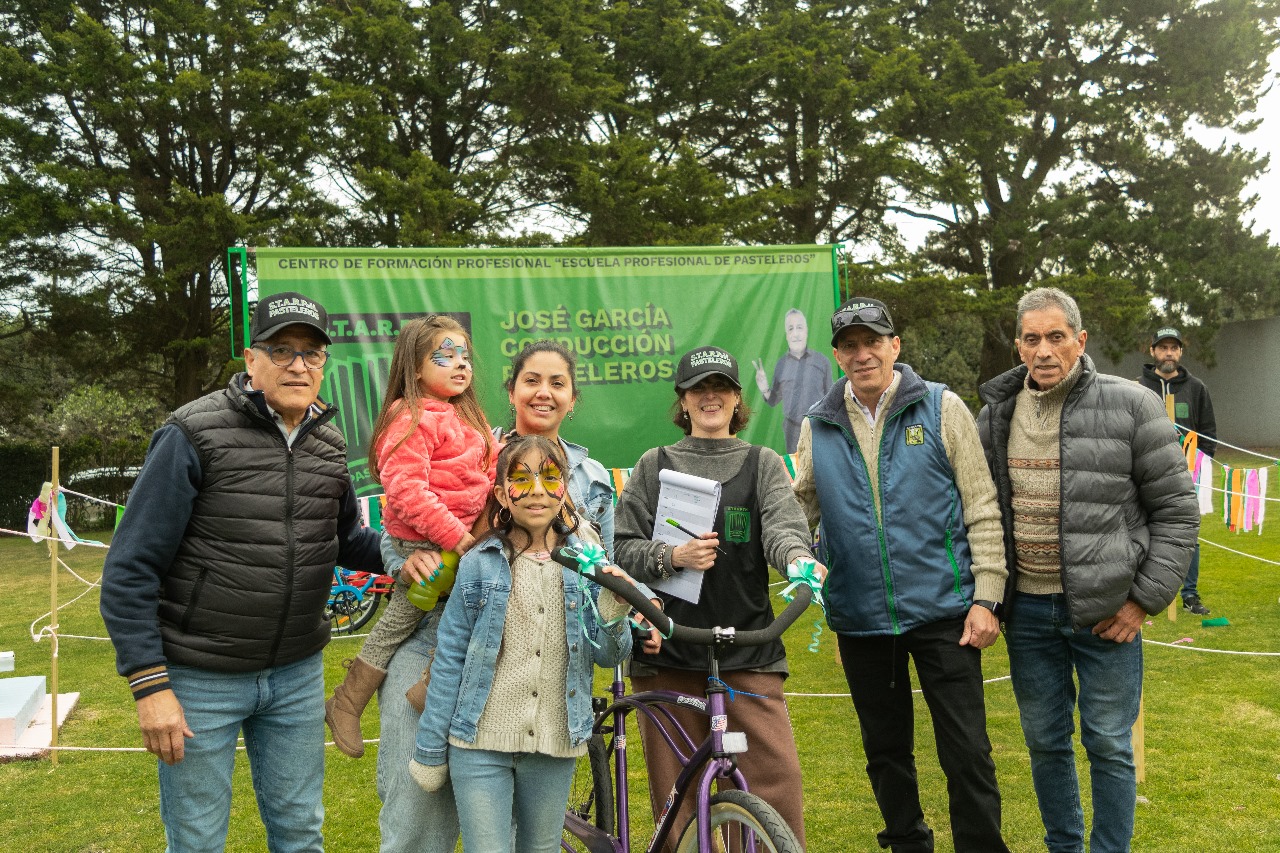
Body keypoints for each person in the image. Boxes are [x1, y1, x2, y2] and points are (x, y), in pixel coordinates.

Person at [99, 290, 383, 852]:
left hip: (296, 675)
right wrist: (149, 685)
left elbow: (348, 539)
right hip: (201, 675)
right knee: (199, 839)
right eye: (282, 351)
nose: (299, 365)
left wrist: (438, 549)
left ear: (325, 364)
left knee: (301, 833)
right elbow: (131, 568)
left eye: (312, 352)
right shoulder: (190, 434)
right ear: (251, 361)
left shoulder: (328, 443)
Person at [374, 339, 621, 853]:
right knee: (419, 819)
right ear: (510, 391)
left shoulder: (595, 482)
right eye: (531, 380)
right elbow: (403, 515)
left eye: (558, 383)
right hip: (435, 641)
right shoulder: (474, 447)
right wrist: (403, 563)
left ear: (574, 398)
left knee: (516, 833)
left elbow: (601, 580)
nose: (544, 393)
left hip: (538, 673)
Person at [977, 287, 1198, 853]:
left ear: (1081, 340)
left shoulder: (1132, 405)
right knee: (1046, 743)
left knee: (1109, 744)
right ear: (1018, 345)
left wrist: (1143, 600)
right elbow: (976, 511)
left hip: (1108, 615)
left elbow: (1176, 512)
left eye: (1056, 337)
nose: (1043, 350)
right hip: (1026, 612)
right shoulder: (996, 413)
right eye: (1031, 338)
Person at [793, 296, 1012, 853]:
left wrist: (987, 598)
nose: (862, 354)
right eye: (850, 345)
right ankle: (908, 845)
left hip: (946, 612)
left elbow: (981, 505)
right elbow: (798, 514)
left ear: (895, 346)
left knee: (967, 752)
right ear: (837, 355)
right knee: (886, 753)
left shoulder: (941, 406)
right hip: (862, 619)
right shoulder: (817, 424)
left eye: (873, 342)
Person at [613, 344, 822, 851]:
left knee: (773, 787)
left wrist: (798, 560)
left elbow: (783, 527)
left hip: (748, 648)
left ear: (736, 399)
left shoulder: (764, 463)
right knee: (677, 801)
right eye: (698, 388)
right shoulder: (653, 464)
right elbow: (619, 545)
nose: (711, 397)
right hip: (668, 651)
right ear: (682, 402)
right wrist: (671, 557)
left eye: (721, 387)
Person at [408, 434, 636, 853]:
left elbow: (609, 656)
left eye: (550, 479)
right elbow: (450, 660)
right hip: (478, 745)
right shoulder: (478, 563)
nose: (536, 491)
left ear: (566, 488)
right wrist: (429, 748)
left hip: (554, 746)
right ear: (501, 493)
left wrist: (615, 609)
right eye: (521, 479)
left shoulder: (589, 562)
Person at [325, 315, 495, 758]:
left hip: (463, 540)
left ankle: (429, 686)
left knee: (473, 610)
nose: (460, 365)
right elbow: (405, 491)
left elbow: (489, 474)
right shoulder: (410, 416)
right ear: (415, 368)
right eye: (445, 357)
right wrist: (457, 539)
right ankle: (347, 699)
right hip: (422, 543)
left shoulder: (470, 418)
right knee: (403, 618)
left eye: (464, 357)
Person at [1138, 326, 1217, 615]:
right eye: (1162, 347)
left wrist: (1199, 469)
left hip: (1187, 476)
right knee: (1141, 531)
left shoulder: (1197, 389)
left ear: (1180, 352)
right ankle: (1140, 595)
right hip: (1144, 475)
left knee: (1187, 534)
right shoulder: (1137, 388)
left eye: (1173, 348)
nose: (1168, 353)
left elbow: (1208, 434)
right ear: (1153, 351)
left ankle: (1190, 595)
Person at [752, 307, 834, 453]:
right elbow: (773, 401)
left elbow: (831, 399)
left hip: (820, 428)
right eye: (790, 329)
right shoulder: (781, 364)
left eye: (799, 327)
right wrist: (764, 388)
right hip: (792, 431)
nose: (795, 333)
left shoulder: (822, 361)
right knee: (797, 472)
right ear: (786, 335)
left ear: (806, 331)